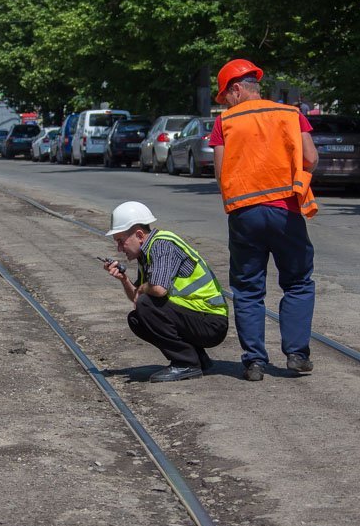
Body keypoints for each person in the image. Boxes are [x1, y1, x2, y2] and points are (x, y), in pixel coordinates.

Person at [209, 58, 318, 382]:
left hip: (244, 213)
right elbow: (310, 157)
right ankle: (297, 354)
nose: (224, 102)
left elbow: (219, 172)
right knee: (298, 282)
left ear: (237, 89)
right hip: (286, 210)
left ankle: (254, 362)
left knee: (247, 288)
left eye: (224, 96)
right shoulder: (290, 114)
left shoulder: (224, 123)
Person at [103, 201, 229, 383]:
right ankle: (198, 359)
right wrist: (124, 280)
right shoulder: (146, 254)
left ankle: (186, 363)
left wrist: (142, 289)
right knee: (136, 318)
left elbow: (158, 290)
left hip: (211, 321)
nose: (119, 249)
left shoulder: (161, 246)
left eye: (121, 241)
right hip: (198, 317)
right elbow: (137, 298)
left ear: (139, 235)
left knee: (147, 303)